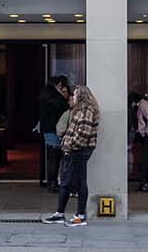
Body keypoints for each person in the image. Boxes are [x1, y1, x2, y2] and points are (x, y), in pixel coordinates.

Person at [45, 84, 99, 227]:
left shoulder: (86, 111)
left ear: (80, 96)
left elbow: (83, 134)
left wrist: (69, 145)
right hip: (75, 150)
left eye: (74, 94)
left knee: (78, 182)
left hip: (78, 151)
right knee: (68, 181)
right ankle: (60, 214)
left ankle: (79, 216)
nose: (72, 97)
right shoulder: (80, 110)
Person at [36, 76, 70, 190]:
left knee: (52, 156)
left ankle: (52, 182)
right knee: (54, 157)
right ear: (58, 85)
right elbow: (61, 106)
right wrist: (65, 99)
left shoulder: (46, 95)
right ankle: (52, 183)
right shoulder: (53, 97)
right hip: (53, 129)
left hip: (48, 129)